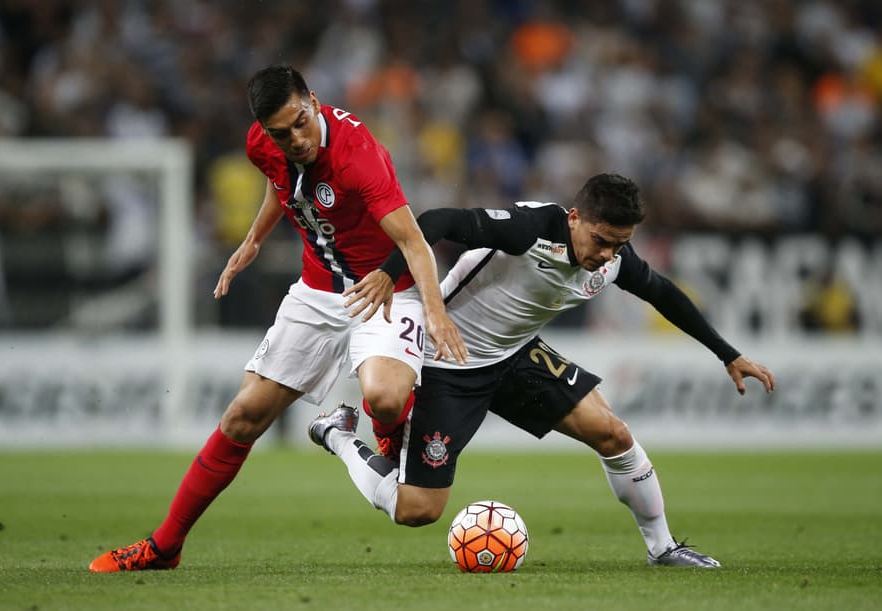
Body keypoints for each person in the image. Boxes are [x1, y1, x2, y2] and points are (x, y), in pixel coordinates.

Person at [89, 65, 466, 572]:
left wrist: (437, 315)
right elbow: (280, 183)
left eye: (301, 123)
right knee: (243, 416)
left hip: (384, 289)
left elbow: (413, 241)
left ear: (313, 99)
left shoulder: (359, 158)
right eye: (280, 133)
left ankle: (386, 428)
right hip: (316, 291)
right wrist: (254, 239)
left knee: (384, 394)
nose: (295, 139)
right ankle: (164, 546)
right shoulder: (263, 143)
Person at [308, 173, 775, 567]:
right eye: (602, 241)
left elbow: (663, 292)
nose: (608, 255)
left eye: (620, 245)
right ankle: (339, 434)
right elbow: (436, 221)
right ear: (575, 218)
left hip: (514, 355)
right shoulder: (528, 229)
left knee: (613, 434)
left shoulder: (612, 261)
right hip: (448, 360)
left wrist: (727, 354)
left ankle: (663, 549)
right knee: (417, 510)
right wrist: (391, 272)